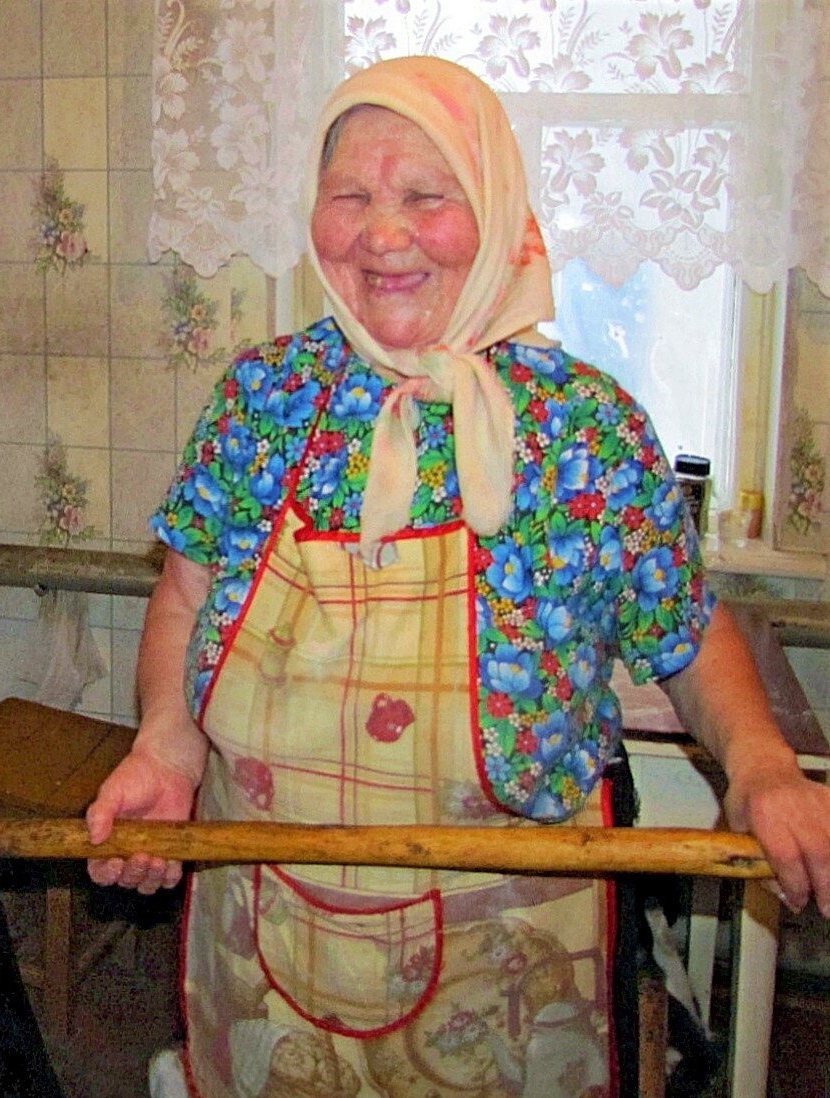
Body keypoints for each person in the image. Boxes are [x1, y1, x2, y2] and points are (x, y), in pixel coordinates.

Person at [85, 55, 830, 1098]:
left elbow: (684, 629)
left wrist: (758, 766)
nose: (381, 234)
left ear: (496, 212)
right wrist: (164, 747)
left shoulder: (581, 428)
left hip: (513, 959)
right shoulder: (263, 399)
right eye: (350, 196)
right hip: (269, 928)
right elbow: (184, 595)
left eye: (426, 197)